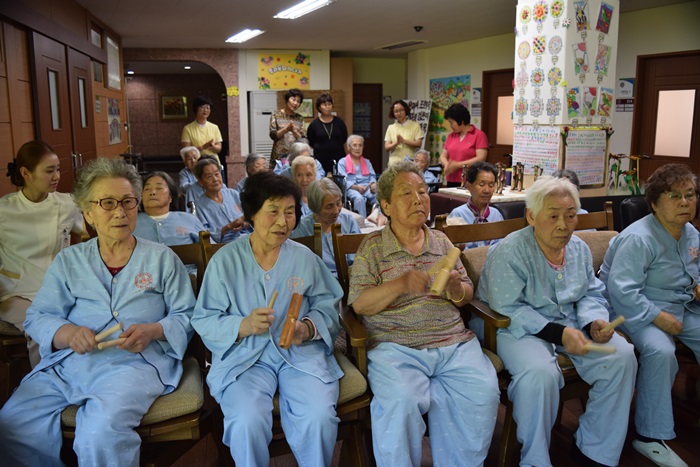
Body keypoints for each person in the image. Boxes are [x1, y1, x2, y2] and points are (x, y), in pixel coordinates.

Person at [0, 158, 195, 465]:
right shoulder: (69, 261)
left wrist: (154, 330)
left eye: (128, 201)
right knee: (12, 422)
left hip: (134, 365)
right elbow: (38, 316)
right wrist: (67, 333)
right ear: (88, 213)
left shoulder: (162, 259)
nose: (120, 212)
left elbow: (187, 316)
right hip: (70, 364)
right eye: (107, 203)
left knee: (99, 432)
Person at [477, 176, 637, 467]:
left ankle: (595, 450)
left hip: (570, 322)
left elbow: (590, 292)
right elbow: (507, 307)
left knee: (622, 356)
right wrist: (559, 333)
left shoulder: (579, 249)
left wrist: (593, 322)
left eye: (571, 215)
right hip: (513, 328)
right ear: (531, 216)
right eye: (553, 216)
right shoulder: (510, 250)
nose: (564, 225)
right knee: (540, 374)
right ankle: (535, 459)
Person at [348, 161, 499, 466]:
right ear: (386, 206)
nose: (418, 199)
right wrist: (400, 284)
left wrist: (456, 288)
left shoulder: (441, 241)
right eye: (407, 193)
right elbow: (360, 304)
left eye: (422, 191)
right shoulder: (372, 247)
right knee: (401, 401)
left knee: (483, 392)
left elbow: (466, 295)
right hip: (396, 346)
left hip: (452, 343)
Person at [192, 171, 343, 466]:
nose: (283, 222)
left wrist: (307, 328)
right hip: (245, 358)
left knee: (319, 417)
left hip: (299, 355)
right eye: (273, 211)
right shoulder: (225, 261)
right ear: (252, 214)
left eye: (290, 212)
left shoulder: (304, 259)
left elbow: (328, 307)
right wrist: (242, 325)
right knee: (246, 421)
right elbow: (205, 318)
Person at [599, 163, 700, 467]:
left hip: (680, 305)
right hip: (633, 308)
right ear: (654, 204)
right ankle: (649, 436)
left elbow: (694, 271)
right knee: (660, 351)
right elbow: (622, 292)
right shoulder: (638, 238)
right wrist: (658, 317)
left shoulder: (691, 232)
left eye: (690, 194)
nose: (685, 202)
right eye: (675, 196)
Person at [0, 141, 85, 368]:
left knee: (86, 321)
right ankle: (45, 381)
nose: (56, 176)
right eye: (49, 171)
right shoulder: (4, 210)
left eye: (58, 169)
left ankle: (80, 376)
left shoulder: (67, 204)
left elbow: (82, 239)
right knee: (43, 328)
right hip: (16, 293)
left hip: (59, 287)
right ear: (25, 173)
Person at [290, 178, 360, 277]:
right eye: (329, 206)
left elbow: (360, 257)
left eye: (338, 203)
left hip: (351, 278)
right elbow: (299, 267)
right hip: (319, 281)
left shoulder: (349, 221)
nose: (336, 211)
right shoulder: (302, 229)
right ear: (316, 208)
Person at [134, 171, 207, 246]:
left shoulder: (190, 219)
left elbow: (210, 248)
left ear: (171, 197)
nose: (152, 192)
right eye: (147, 189)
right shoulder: (131, 222)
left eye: (159, 188)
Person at [448, 162, 504, 249]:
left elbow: (501, 246)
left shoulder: (496, 214)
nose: (487, 190)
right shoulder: (458, 214)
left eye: (491, 185)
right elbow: (453, 249)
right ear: (469, 186)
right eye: (481, 184)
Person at [192, 158, 247, 243]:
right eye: (209, 176)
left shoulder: (233, 194)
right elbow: (204, 234)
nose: (215, 179)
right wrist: (228, 227)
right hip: (226, 245)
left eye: (217, 174)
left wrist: (244, 224)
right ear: (201, 182)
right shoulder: (199, 205)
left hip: (248, 237)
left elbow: (251, 218)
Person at [439, 103, 488, 188]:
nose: (451, 126)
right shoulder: (451, 136)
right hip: (451, 179)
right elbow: (443, 155)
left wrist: (458, 165)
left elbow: (481, 158)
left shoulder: (479, 135)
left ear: (461, 121)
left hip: (470, 180)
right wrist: (447, 165)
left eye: (451, 122)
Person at [307, 92, 348, 176]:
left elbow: (344, 138)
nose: (328, 107)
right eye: (324, 105)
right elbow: (311, 142)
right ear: (319, 107)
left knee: (338, 181)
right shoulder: (314, 124)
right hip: (320, 159)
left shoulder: (339, 122)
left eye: (329, 104)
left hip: (338, 158)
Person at [337, 135, 377, 218]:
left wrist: (373, 184)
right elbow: (343, 180)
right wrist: (356, 187)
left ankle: (376, 219)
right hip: (352, 189)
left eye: (360, 145)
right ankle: (362, 223)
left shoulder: (367, 162)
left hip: (367, 188)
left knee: (379, 197)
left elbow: (372, 176)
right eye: (354, 145)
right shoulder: (342, 162)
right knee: (359, 199)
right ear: (348, 147)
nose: (357, 148)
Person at [181, 95, 223, 166]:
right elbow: (186, 151)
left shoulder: (215, 127)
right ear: (196, 108)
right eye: (203, 107)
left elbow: (219, 148)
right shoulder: (187, 128)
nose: (206, 110)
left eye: (208, 108)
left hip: (213, 163)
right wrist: (203, 147)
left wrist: (213, 147)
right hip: (196, 165)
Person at [269, 88, 306, 165]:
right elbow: (273, 135)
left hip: (295, 157)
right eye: (293, 100)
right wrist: (286, 129)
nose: (295, 103)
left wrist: (294, 131)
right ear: (287, 99)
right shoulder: (276, 115)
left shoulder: (300, 118)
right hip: (279, 157)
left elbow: (303, 139)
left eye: (298, 101)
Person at [384, 100, 424, 166]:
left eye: (401, 110)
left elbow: (418, 144)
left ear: (406, 110)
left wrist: (404, 141)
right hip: (394, 163)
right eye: (396, 111)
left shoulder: (415, 125)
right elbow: (387, 147)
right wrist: (396, 143)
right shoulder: (391, 127)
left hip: (409, 163)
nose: (399, 113)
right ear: (393, 113)